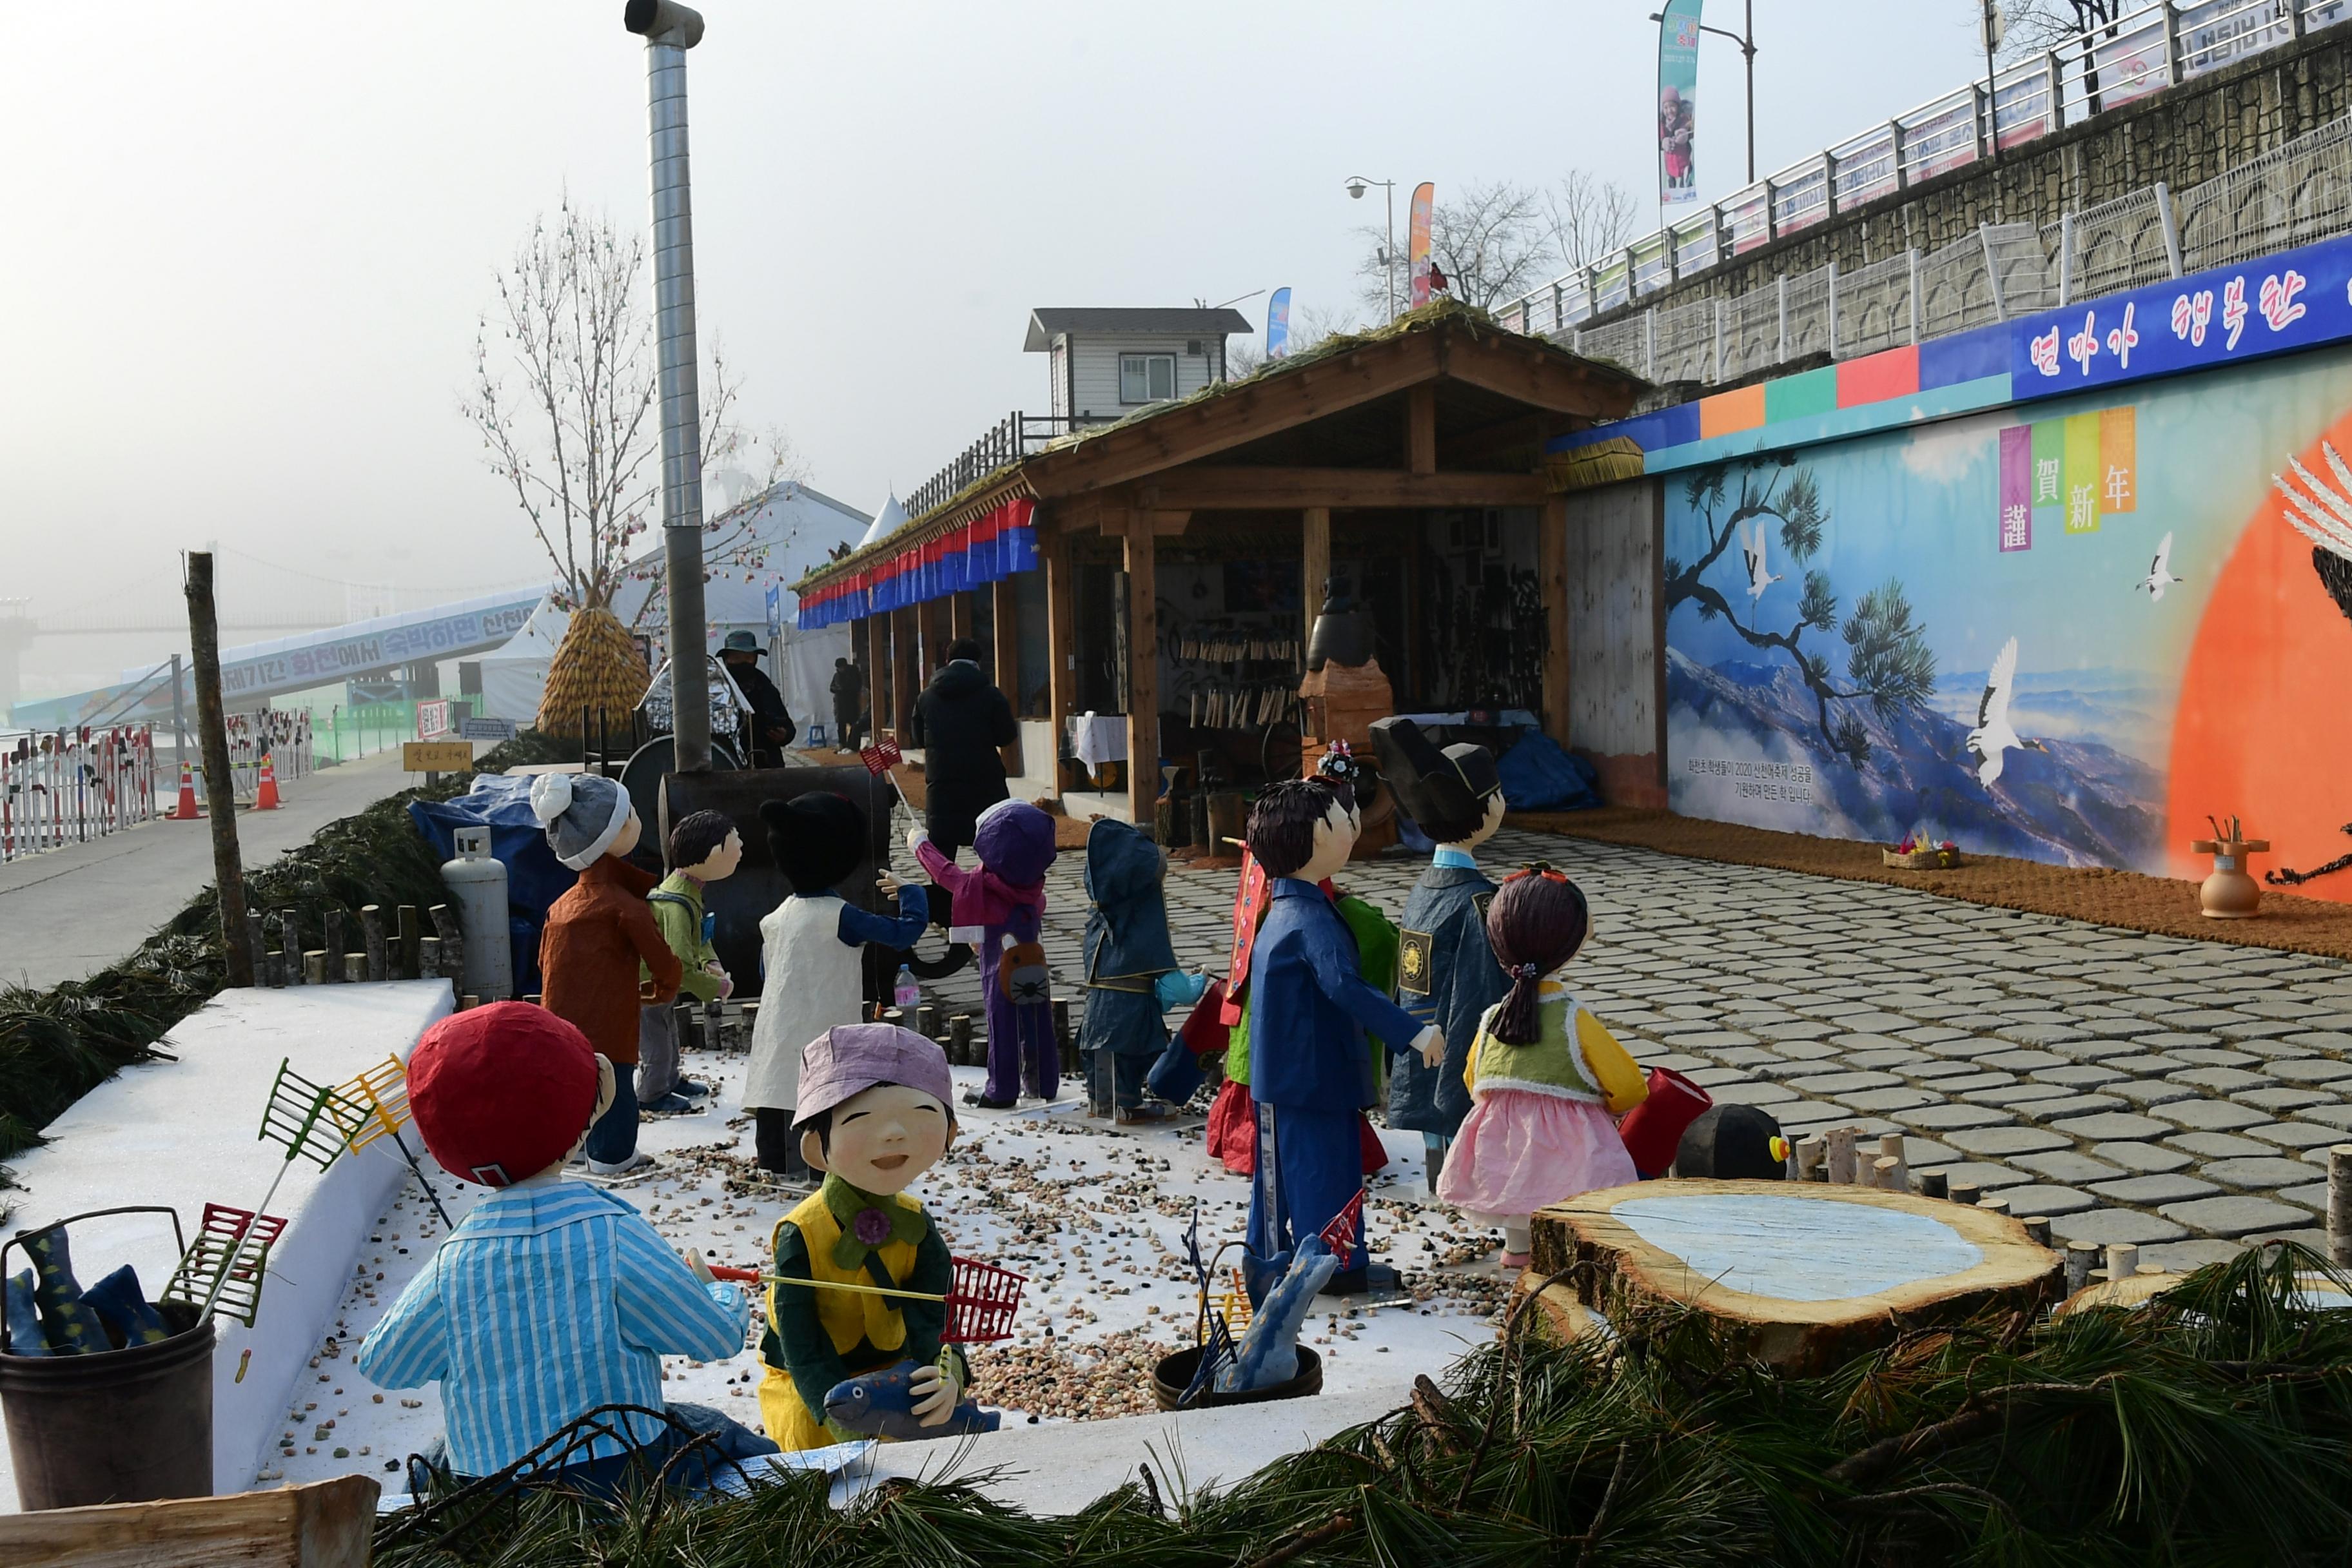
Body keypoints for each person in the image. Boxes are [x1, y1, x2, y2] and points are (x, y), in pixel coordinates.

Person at [357, 1003, 776, 1493]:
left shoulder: (454, 1262)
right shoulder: (613, 1235)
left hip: (495, 1487)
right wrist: (713, 1293)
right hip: (621, 1472)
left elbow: (384, 1363)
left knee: (431, 1462)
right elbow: (713, 1339)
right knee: (722, 1436)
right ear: (580, 1114)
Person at [1242, 777, 1439, 1298]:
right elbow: (1346, 987)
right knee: (1326, 1173)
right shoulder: (1312, 921)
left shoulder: (1281, 913)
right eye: (1335, 824)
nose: (1348, 832)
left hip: (1280, 1073)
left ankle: (1265, 1257)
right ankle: (1335, 1265)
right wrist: (1414, 1034)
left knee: (1277, 1176)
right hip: (1314, 1075)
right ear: (1308, 840)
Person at [756, 1023, 974, 1451]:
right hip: (811, 1387)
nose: (894, 1134)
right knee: (821, 1461)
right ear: (817, 1146)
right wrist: (843, 1423)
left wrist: (949, 1373)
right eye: (860, 1118)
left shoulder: (917, 1224)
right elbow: (803, 1346)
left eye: (921, 1115)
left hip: (895, 1374)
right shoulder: (802, 1233)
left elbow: (936, 1317)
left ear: (948, 1133)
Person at [1438, 866, 1649, 1270]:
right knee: (1574, 1192)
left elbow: (1474, 1080)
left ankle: (1518, 1248)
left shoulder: (1490, 1020)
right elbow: (1628, 1084)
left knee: (1520, 1193)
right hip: (1571, 1150)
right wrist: (1609, 1108)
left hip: (1504, 1148)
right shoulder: (1574, 1019)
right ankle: (1570, 1253)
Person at [747, 793, 929, 1186]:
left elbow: (766, 970)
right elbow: (902, 934)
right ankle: (821, 1164)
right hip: (825, 1023)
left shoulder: (774, 918)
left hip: (777, 1028)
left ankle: (774, 1160)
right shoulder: (841, 916)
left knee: (779, 1088)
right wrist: (913, 894)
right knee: (823, 1095)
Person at [1371, 717, 1511, 1198]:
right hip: (1453, 1044)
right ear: (1487, 809)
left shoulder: (1422, 889)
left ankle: (1441, 1180)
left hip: (1416, 1038)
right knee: (1459, 1133)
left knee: (1437, 1139)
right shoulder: (1479, 901)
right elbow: (1479, 993)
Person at [531, 774, 681, 1179]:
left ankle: (575, 1150)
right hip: (610, 1021)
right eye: (629, 815)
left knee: (575, 1088)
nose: (637, 821)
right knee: (614, 1089)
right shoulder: (623, 905)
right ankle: (613, 1156)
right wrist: (668, 984)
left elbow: (545, 963)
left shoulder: (561, 906)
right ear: (612, 836)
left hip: (561, 1023)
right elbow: (661, 958)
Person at [911, 800, 1058, 1109]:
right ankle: (1044, 1082)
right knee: (1038, 1017)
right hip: (1034, 960)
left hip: (999, 966)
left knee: (1001, 1021)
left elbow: (945, 873)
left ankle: (1002, 1089)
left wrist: (920, 844)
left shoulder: (980, 886)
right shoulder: (1033, 887)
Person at [1076, 818, 1208, 1124]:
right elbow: (1177, 988)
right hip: (1129, 1015)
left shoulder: (1099, 921)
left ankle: (1099, 1102)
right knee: (1130, 1057)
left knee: (1100, 1057)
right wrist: (1198, 982)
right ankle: (1128, 1106)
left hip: (1097, 1011)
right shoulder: (1142, 927)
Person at [639, 810, 736, 1113]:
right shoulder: (676, 904)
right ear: (713, 853)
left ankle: (669, 1080)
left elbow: (701, 937)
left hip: (661, 988)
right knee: (655, 1042)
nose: (741, 848)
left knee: (669, 1030)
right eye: (735, 844)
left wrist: (712, 962)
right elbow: (679, 962)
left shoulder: (687, 892)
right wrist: (715, 987)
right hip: (646, 987)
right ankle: (652, 1093)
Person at [906, 638, 1017, 857]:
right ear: (978, 661)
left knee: (942, 861)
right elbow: (1006, 736)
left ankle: (942, 892)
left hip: (942, 783)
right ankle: (989, 892)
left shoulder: (926, 697)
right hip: (985, 781)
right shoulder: (991, 695)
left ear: (947, 660)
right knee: (994, 851)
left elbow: (918, 739)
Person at [720, 631, 794, 767]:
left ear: (755, 658)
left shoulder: (766, 688)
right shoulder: (716, 689)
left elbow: (787, 725)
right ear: (726, 660)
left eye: (748, 657)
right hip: (726, 765)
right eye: (737, 657)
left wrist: (784, 735)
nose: (743, 662)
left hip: (765, 764)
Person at [830, 656, 865, 754]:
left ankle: (852, 745)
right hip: (840, 704)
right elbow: (831, 687)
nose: (839, 670)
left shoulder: (854, 674)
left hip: (851, 704)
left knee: (854, 725)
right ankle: (842, 744)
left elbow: (857, 687)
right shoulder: (837, 675)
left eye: (840, 667)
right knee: (841, 726)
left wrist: (845, 690)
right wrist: (838, 689)